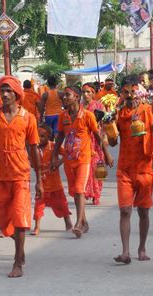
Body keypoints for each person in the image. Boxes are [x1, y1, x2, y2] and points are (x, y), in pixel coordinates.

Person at [0, 75, 42, 278]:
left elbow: (33, 150)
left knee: (20, 218)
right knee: (3, 220)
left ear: (17, 94)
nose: (4, 94)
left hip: (21, 174)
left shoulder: (28, 118)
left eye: (9, 91)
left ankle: (17, 262)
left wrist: (39, 179)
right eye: (2, 91)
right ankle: (20, 247)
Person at [109, 75, 153, 264]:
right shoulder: (119, 114)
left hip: (145, 168)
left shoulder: (147, 111)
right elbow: (114, 142)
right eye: (126, 92)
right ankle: (125, 252)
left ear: (140, 93)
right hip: (125, 169)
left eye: (133, 91)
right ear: (121, 94)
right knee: (124, 211)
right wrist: (109, 125)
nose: (130, 95)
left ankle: (142, 247)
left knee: (144, 212)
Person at [52, 86, 113, 238]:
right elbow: (60, 137)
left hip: (84, 158)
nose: (64, 98)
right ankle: (84, 222)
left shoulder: (87, 115)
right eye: (64, 95)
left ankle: (78, 224)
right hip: (68, 159)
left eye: (67, 95)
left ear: (76, 97)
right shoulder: (62, 116)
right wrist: (54, 156)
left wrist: (106, 154)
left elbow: (97, 136)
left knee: (79, 189)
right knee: (74, 191)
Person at [31, 123, 72, 235]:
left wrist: (58, 163)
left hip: (55, 183)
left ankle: (68, 223)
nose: (40, 138)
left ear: (48, 136)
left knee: (62, 204)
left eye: (43, 136)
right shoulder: (34, 148)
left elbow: (67, 154)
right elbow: (31, 162)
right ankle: (37, 226)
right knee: (38, 205)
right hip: (41, 182)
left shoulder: (54, 146)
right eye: (38, 136)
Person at [81, 82, 106, 205]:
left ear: (93, 93)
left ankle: (96, 194)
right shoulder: (78, 107)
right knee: (85, 167)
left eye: (88, 92)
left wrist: (104, 136)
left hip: (96, 140)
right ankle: (85, 191)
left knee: (96, 167)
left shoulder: (99, 107)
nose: (85, 95)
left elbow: (104, 125)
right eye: (83, 92)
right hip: (83, 141)